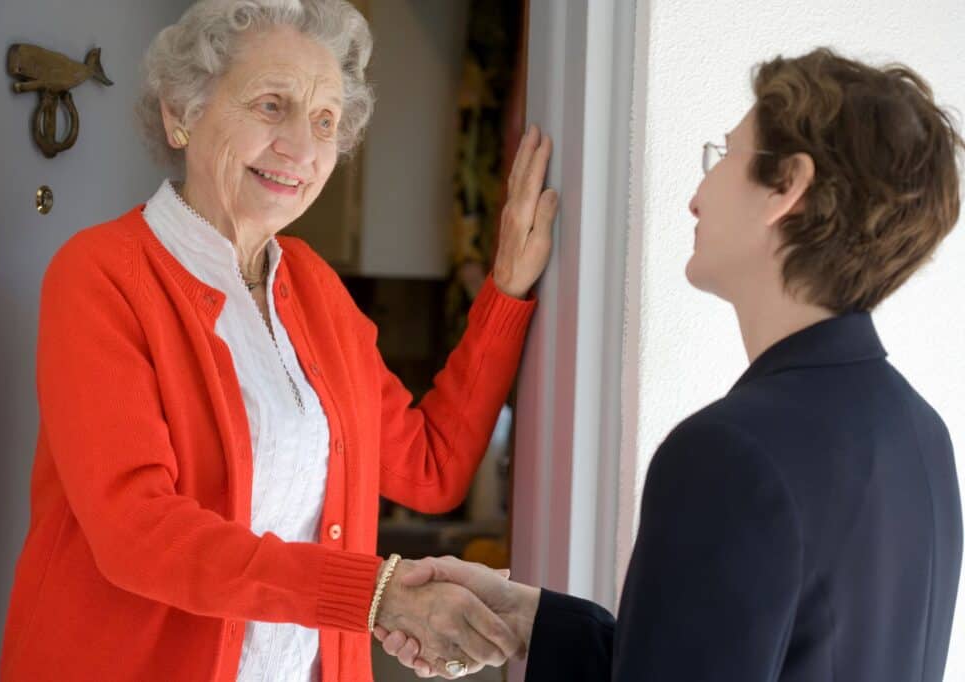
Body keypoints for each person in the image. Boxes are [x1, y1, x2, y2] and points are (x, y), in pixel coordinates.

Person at [0, 1, 559, 680]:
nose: (302, 148)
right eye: (271, 105)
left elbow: (429, 467)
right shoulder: (100, 276)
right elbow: (138, 534)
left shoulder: (315, 289)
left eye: (325, 121)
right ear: (182, 113)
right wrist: (376, 598)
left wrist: (503, 291)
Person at [376, 48, 964, 681]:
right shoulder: (922, 435)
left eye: (724, 157)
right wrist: (532, 619)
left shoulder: (729, 454)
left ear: (787, 186)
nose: (695, 197)